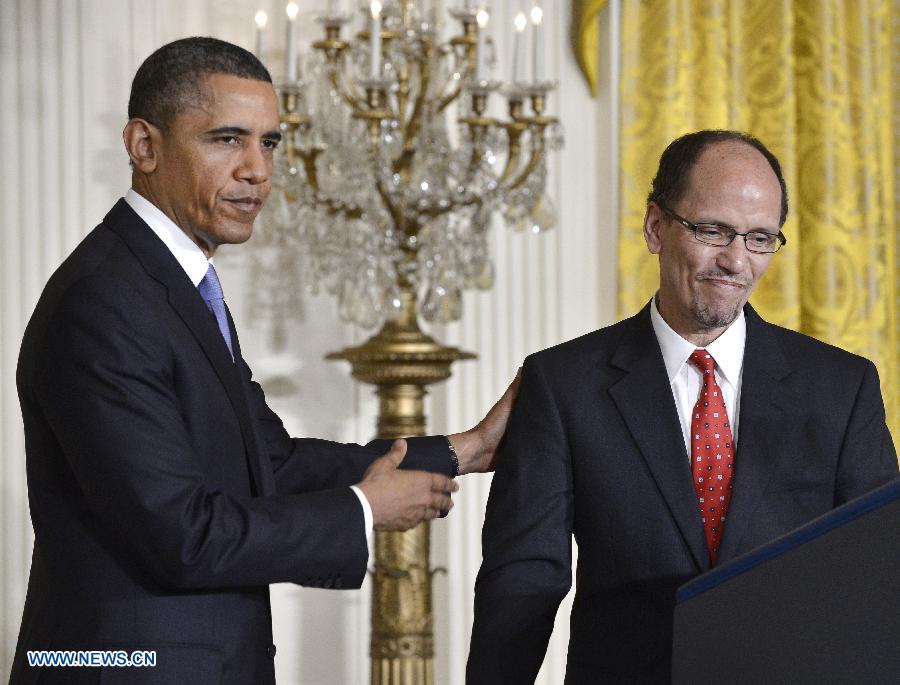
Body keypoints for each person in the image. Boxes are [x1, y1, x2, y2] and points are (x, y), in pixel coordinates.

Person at [11, 37, 516, 685]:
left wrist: (463, 450)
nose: (258, 169)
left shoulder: (173, 287)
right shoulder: (106, 300)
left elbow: (270, 464)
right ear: (144, 145)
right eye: (227, 139)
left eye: (270, 142)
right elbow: (183, 537)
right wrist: (363, 509)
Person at [466, 130, 898, 683]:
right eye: (714, 231)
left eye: (760, 238)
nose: (736, 260)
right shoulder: (563, 383)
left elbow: (878, 577)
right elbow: (523, 580)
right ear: (655, 227)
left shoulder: (841, 386)